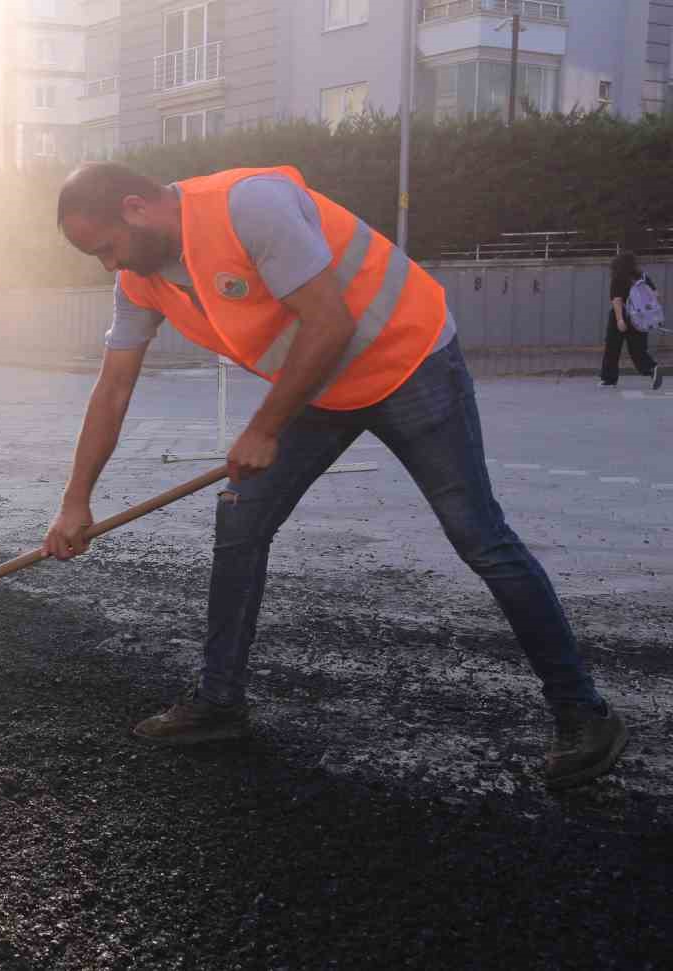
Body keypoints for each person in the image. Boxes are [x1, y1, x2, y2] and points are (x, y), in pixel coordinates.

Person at [44, 161, 626, 790]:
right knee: (241, 521)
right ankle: (219, 703)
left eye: (105, 248)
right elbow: (113, 387)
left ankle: (583, 711)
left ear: (135, 207)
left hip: (407, 362)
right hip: (316, 387)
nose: (108, 265)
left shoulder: (248, 207)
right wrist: (76, 501)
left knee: (478, 536)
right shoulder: (141, 279)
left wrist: (264, 428)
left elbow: (330, 321)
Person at [600, 251, 662, 389]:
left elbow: (617, 300)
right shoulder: (643, 277)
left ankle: (609, 379)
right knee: (638, 350)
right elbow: (656, 296)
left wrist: (619, 320)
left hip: (623, 315)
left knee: (612, 348)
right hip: (640, 318)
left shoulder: (618, 278)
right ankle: (652, 368)